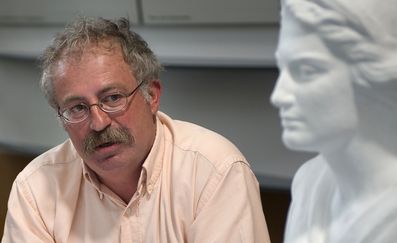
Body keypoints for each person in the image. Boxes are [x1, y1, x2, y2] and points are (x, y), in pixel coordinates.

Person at [1, 17, 270, 243]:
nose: (98, 122)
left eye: (113, 98)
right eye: (77, 108)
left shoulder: (214, 171)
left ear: (151, 96)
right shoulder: (35, 189)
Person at [271, 0, 397, 242]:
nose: (278, 96)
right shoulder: (309, 184)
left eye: (306, 71)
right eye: (281, 68)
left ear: (375, 75)